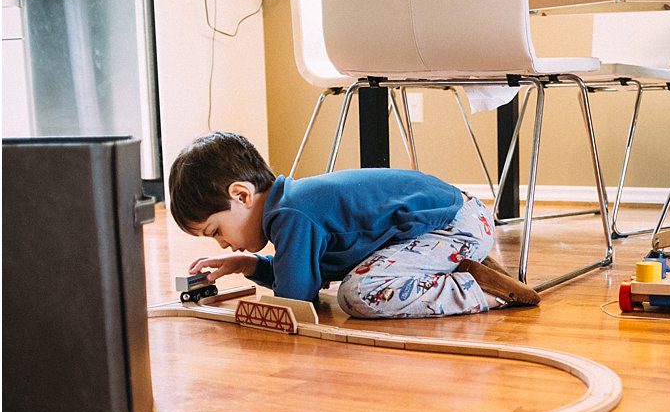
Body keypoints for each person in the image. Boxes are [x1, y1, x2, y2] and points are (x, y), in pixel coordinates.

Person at [170, 130, 538, 319]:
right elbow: (304, 276)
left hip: (455, 225)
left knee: (358, 292)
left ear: (242, 195)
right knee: (360, 282)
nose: (221, 244)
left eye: (216, 231)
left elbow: (297, 301)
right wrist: (250, 265)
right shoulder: (292, 208)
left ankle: (483, 290)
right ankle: (459, 267)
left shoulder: (290, 216)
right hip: (454, 219)